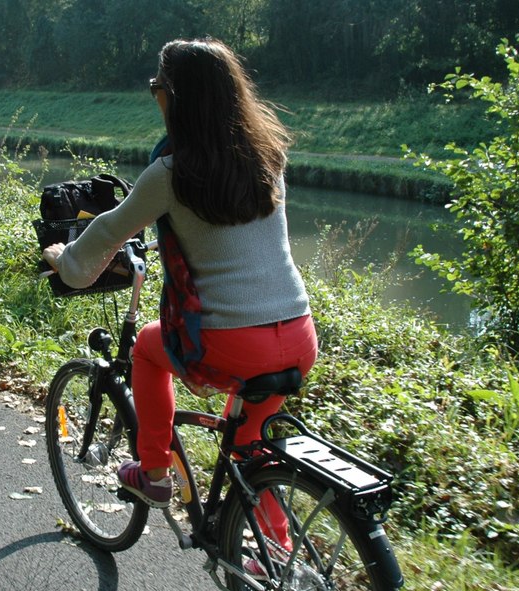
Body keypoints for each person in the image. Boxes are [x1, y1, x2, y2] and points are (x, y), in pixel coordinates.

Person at [42, 38, 316, 523]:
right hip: (297, 334)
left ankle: (154, 474)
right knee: (250, 447)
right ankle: (276, 552)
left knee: (148, 350)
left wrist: (66, 260)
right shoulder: (268, 157)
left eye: (157, 86)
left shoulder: (171, 173)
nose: (155, 95)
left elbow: (107, 231)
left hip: (233, 342)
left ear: (175, 96)